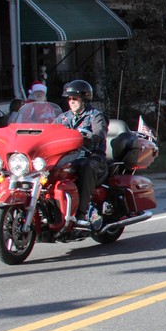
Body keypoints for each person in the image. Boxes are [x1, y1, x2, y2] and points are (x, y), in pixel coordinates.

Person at [55, 80, 107, 226]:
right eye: (69, 99)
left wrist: (92, 137)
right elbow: (50, 131)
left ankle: (82, 213)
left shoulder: (95, 116)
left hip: (93, 156)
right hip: (69, 157)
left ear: (84, 99)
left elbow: (99, 133)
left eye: (75, 98)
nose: (71, 102)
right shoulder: (63, 118)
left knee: (87, 166)